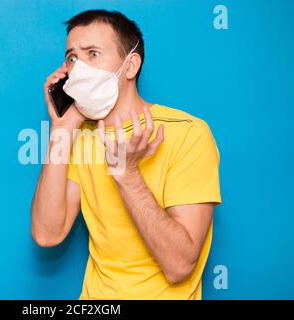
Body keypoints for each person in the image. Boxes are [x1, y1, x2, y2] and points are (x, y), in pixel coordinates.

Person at [31, 9, 222, 300]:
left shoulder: (188, 134)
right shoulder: (79, 136)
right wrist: (62, 128)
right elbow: (47, 234)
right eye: (72, 58)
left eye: (92, 53)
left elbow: (180, 265)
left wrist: (127, 174)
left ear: (130, 66)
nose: (78, 67)